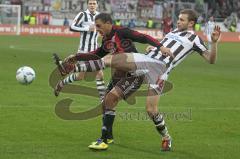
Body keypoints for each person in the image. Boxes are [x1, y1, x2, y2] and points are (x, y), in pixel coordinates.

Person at [53, 13, 172, 151]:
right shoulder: (106, 40)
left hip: (133, 75)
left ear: (108, 23)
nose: (97, 29)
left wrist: (160, 47)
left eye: (99, 26)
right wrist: (76, 56)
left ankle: (103, 140)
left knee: (110, 95)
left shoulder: (121, 32)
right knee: (106, 104)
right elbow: (96, 54)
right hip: (118, 74)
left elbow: (143, 37)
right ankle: (108, 136)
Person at [55, 0, 106, 103]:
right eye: (90, 3)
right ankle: (103, 100)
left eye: (94, 3)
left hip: (96, 50)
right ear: (87, 5)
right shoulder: (82, 15)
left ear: (97, 5)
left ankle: (103, 100)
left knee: (98, 74)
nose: (92, 5)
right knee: (81, 76)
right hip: (84, 50)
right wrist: (87, 28)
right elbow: (72, 27)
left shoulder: (100, 16)